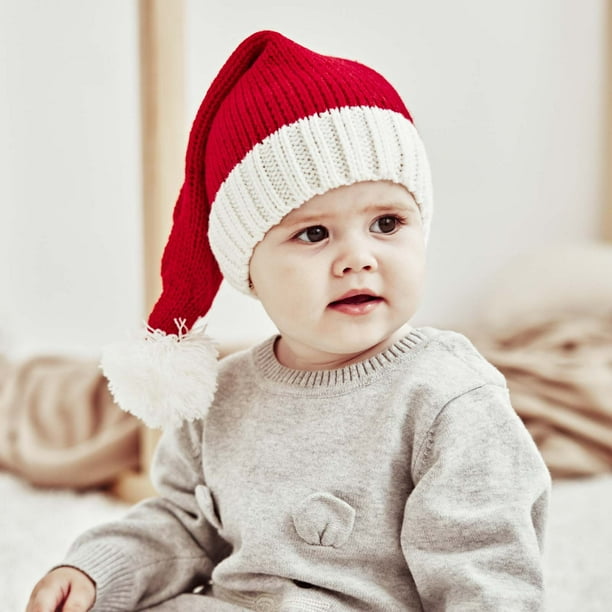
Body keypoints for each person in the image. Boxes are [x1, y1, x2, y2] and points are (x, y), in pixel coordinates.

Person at [27, 30, 550, 612]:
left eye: (387, 223)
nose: (359, 256)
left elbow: (486, 571)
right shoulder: (224, 397)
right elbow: (181, 526)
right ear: (248, 265)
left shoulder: (448, 396)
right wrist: (97, 572)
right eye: (314, 233)